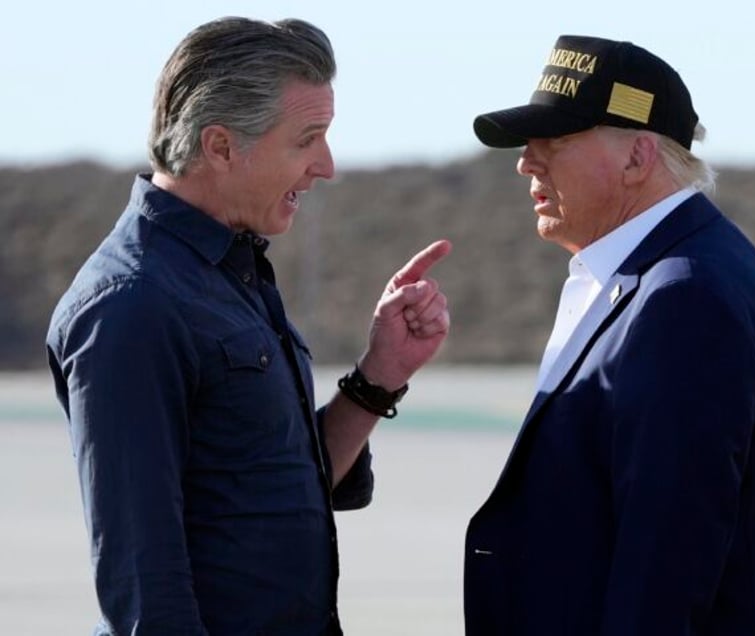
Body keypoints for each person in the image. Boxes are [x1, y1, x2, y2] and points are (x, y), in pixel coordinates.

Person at [45, 17, 451, 635]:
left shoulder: (230, 270)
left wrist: (381, 372)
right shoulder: (131, 304)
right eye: (307, 139)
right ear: (221, 146)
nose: (327, 165)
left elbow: (275, 484)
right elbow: (142, 580)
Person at [464, 34, 755, 635]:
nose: (526, 161)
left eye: (554, 141)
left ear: (637, 158)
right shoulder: (673, 273)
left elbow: (667, 559)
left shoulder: (683, 297)